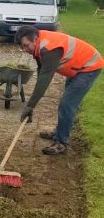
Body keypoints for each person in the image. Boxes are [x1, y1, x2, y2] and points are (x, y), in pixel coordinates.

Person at [16, 25, 103, 155]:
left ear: (35, 39)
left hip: (89, 67)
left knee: (67, 104)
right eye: (22, 47)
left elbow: (45, 79)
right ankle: (59, 131)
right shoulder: (39, 43)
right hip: (78, 67)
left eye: (26, 45)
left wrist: (30, 106)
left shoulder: (48, 49)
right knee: (66, 103)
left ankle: (61, 143)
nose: (25, 49)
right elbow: (42, 72)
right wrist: (31, 105)